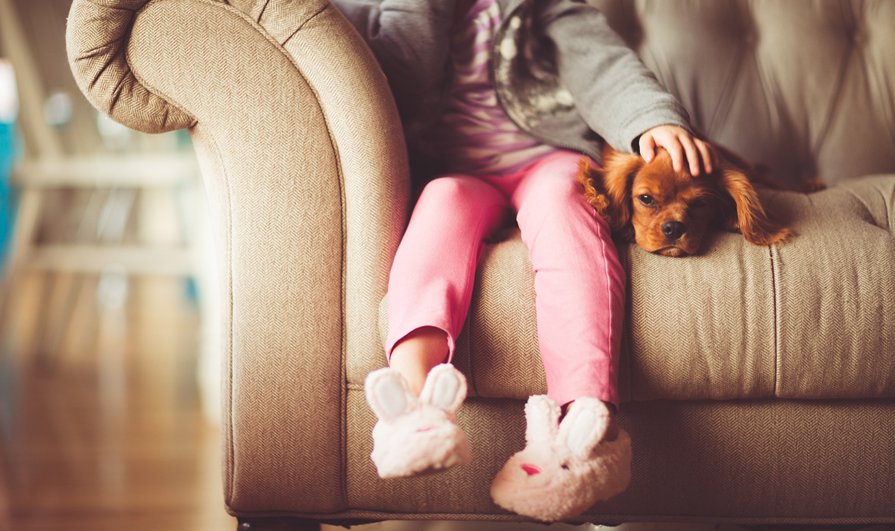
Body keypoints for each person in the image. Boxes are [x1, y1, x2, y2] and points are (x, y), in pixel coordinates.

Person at [332, 0, 712, 520]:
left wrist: (649, 120)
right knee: (440, 206)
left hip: (545, 157)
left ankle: (585, 426)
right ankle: (415, 404)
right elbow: (394, 82)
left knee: (565, 204)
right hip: (452, 170)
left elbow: (602, 64)